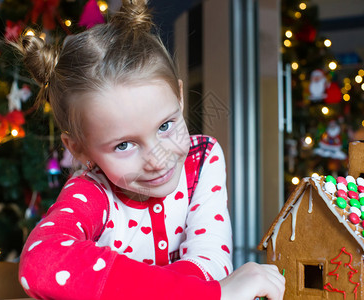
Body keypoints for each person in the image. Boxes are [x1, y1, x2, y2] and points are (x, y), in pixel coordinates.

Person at [15, 1, 285, 299]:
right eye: (124, 145)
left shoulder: (203, 159)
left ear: (179, 97)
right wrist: (211, 293)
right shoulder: (91, 192)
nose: (157, 159)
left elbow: (213, 266)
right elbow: (41, 265)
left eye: (166, 126)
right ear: (79, 150)